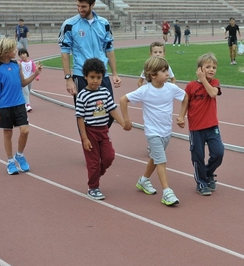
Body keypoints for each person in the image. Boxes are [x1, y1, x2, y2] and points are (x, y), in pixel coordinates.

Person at [120, 57, 188, 206]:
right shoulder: (144, 91)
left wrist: (182, 115)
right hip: (153, 132)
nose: (167, 73)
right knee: (161, 161)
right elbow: (123, 100)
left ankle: (143, 180)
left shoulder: (171, 88)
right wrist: (126, 120)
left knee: (155, 158)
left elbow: (185, 97)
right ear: (153, 75)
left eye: (167, 70)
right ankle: (167, 192)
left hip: (166, 132)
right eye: (163, 71)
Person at [58, 0, 121, 128]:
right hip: (81, 75)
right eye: (78, 6)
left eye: (83, 7)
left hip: (101, 75)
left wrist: (114, 73)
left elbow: (109, 48)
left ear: (92, 5)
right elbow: (65, 52)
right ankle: (89, 144)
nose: (80, 9)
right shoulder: (69, 25)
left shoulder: (104, 24)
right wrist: (68, 79)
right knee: (85, 115)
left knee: (108, 112)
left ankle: (100, 138)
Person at [76, 58, 128, 200]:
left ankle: (98, 173)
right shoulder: (82, 95)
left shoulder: (105, 92)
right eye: (92, 77)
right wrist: (84, 137)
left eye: (98, 77)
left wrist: (123, 123)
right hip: (90, 131)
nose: (95, 81)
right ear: (85, 76)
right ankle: (93, 187)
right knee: (93, 162)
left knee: (109, 156)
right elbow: (80, 117)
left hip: (103, 130)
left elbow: (112, 109)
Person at [0, 38, 42, 175]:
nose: (16, 51)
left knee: (25, 131)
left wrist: (35, 74)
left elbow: (23, 83)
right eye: (13, 49)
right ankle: (10, 161)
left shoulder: (17, 65)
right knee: (8, 133)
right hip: (5, 106)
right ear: (6, 51)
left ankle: (19, 154)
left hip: (19, 104)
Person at [177, 53, 224, 196]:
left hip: (212, 127)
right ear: (199, 69)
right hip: (196, 129)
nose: (211, 70)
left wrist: (204, 79)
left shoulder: (214, 82)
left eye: (214, 67)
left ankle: (208, 173)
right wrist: (181, 116)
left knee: (218, 152)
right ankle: (201, 183)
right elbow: (186, 101)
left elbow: (212, 94)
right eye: (208, 67)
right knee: (198, 156)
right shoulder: (191, 86)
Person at [18, 48, 39, 112]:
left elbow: (34, 69)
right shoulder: (20, 63)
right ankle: (28, 105)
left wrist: (36, 76)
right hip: (23, 80)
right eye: (20, 55)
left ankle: (23, 104)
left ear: (27, 54)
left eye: (23, 54)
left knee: (28, 92)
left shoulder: (31, 62)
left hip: (29, 80)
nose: (22, 56)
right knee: (26, 92)